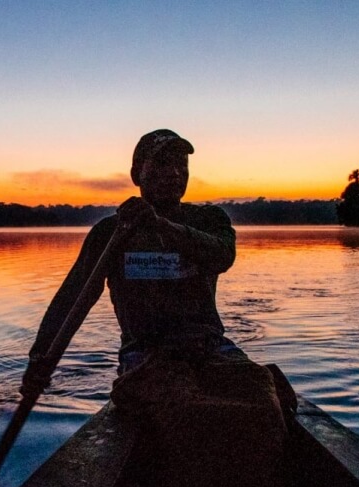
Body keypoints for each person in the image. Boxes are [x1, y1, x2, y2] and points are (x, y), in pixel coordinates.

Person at [21, 129, 245, 397]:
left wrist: (159, 225)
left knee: (261, 394)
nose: (174, 173)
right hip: (144, 353)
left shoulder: (209, 219)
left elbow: (222, 256)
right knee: (169, 403)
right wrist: (41, 359)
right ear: (137, 173)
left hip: (209, 346)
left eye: (181, 165)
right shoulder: (111, 232)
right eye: (162, 164)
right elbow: (72, 299)